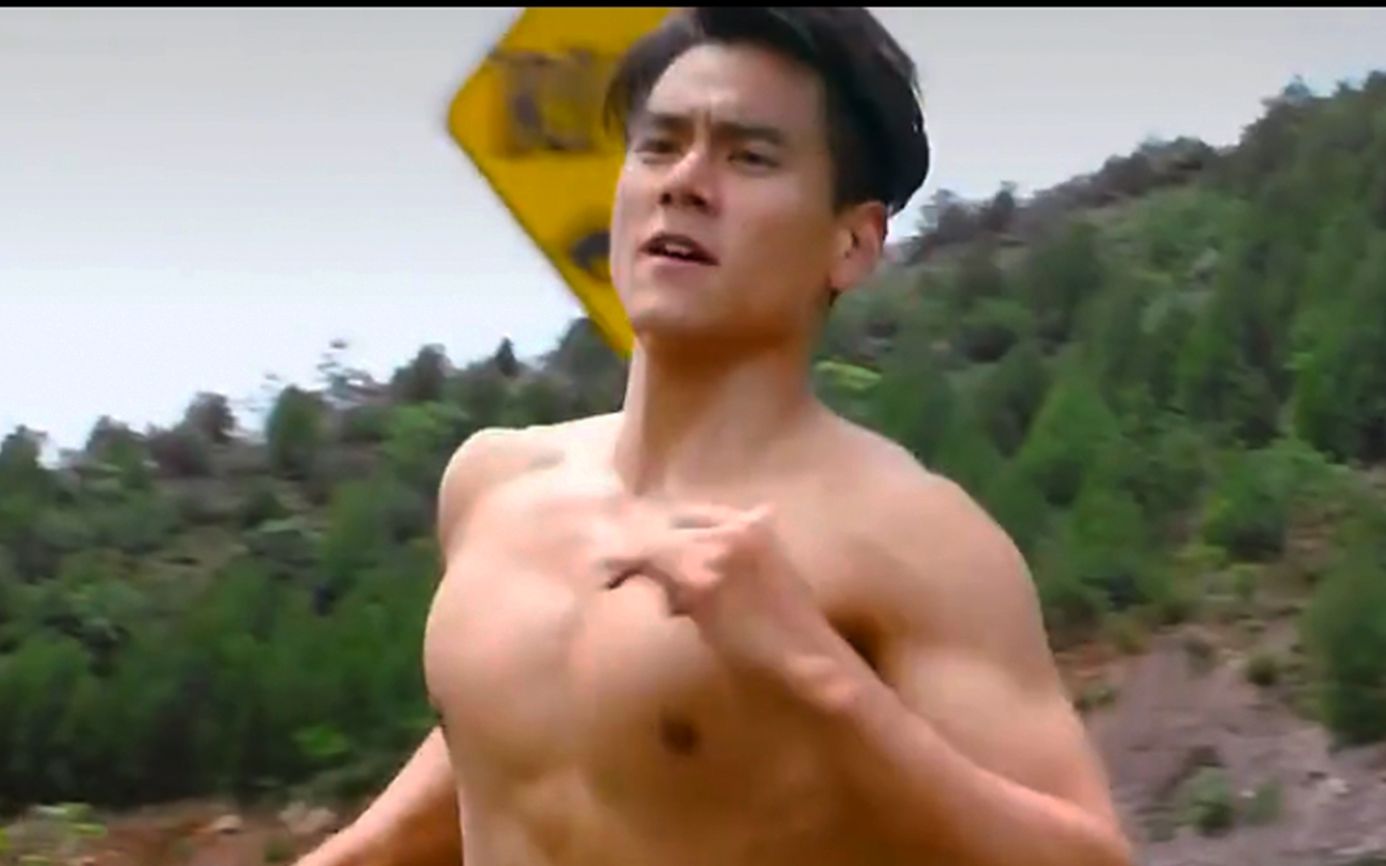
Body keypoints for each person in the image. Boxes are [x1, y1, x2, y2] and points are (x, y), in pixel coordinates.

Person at [297, 8, 1134, 866]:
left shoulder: (912, 539)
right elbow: (519, 749)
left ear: (851, 243)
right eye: (658, 146)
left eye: (748, 157)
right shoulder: (494, 484)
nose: (685, 183)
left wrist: (816, 672)